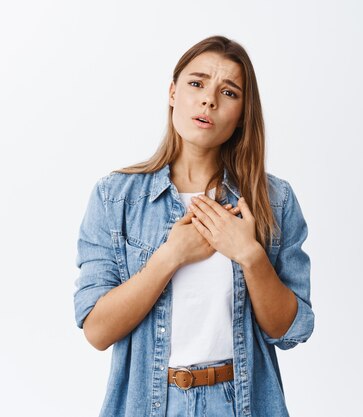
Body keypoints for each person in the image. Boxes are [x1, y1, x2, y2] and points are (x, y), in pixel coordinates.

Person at [73, 35, 314, 417]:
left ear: (242, 113)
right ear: (172, 92)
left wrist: (250, 255)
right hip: (150, 403)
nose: (209, 100)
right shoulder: (115, 197)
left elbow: (290, 332)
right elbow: (97, 331)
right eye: (197, 83)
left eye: (229, 92)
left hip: (242, 404)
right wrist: (169, 257)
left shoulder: (274, 200)